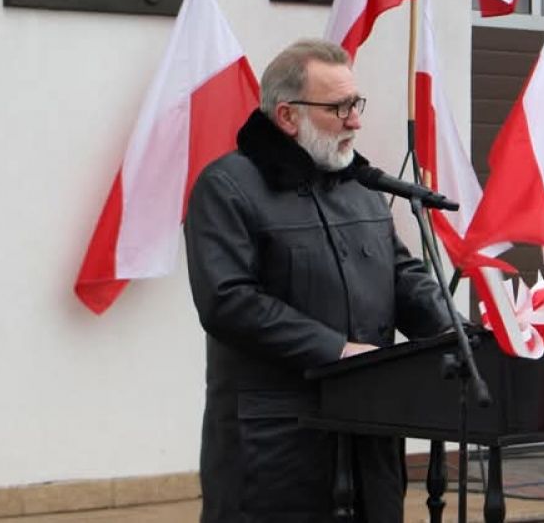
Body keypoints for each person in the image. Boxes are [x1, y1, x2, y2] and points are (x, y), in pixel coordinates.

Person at [185, 38, 451, 522]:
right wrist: (338, 351)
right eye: (339, 107)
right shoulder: (227, 188)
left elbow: (401, 276)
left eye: (356, 104)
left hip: (369, 438)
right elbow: (229, 301)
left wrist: (459, 333)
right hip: (275, 448)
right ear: (288, 116)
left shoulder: (361, 186)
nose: (355, 121)